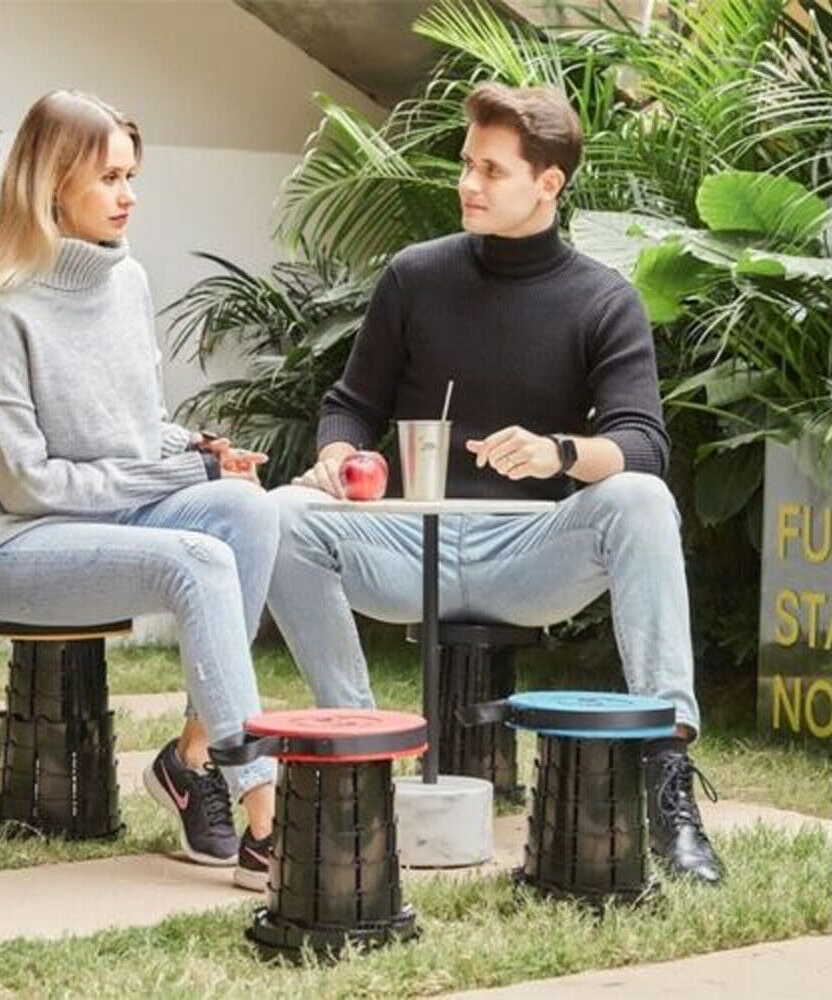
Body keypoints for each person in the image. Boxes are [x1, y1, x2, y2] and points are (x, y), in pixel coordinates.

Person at [267, 83, 722, 884]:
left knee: (641, 500)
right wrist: (338, 458)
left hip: (531, 559)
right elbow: (350, 405)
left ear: (548, 183)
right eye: (466, 165)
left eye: (492, 171)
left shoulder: (602, 300)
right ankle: (363, 756)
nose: (467, 185)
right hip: (410, 545)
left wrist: (559, 454)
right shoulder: (415, 278)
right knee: (280, 516)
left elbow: (643, 444)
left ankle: (667, 778)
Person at [0, 91, 276, 891]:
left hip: (96, 516)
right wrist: (172, 472)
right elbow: (26, 484)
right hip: (7, 543)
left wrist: (198, 450)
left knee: (246, 512)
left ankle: (190, 761)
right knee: (196, 558)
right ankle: (265, 821)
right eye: (109, 178)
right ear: (53, 184)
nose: (129, 195)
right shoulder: (0, 313)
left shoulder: (126, 282)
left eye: (131, 175)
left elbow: (138, 425)